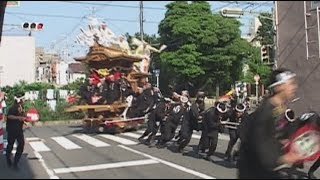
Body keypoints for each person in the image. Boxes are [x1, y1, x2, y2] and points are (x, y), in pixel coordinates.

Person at [237, 68, 304, 179]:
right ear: (279, 86)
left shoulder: (279, 109)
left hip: (265, 170)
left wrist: (285, 143)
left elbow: (272, 136)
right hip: (253, 172)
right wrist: (287, 158)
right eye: (291, 83)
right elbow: (261, 148)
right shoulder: (265, 112)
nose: (294, 87)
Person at [6, 96, 27, 170]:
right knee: (10, 145)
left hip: (19, 130)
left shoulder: (21, 107)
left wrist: (23, 121)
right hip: (12, 130)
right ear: (19, 99)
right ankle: (8, 158)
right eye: (23, 98)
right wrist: (19, 118)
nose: (24, 99)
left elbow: (20, 117)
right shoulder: (13, 107)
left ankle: (15, 163)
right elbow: (9, 116)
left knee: (21, 144)